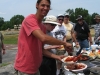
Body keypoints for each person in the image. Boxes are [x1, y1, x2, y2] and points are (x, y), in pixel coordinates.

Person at [14, 0, 72, 75]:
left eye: (48, 6)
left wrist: (57, 57)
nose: (45, 8)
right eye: (43, 5)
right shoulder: (29, 19)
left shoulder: (42, 27)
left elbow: (41, 50)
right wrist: (64, 43)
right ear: (37, 5)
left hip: (35, 68)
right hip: (24, 69)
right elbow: (43, 38)